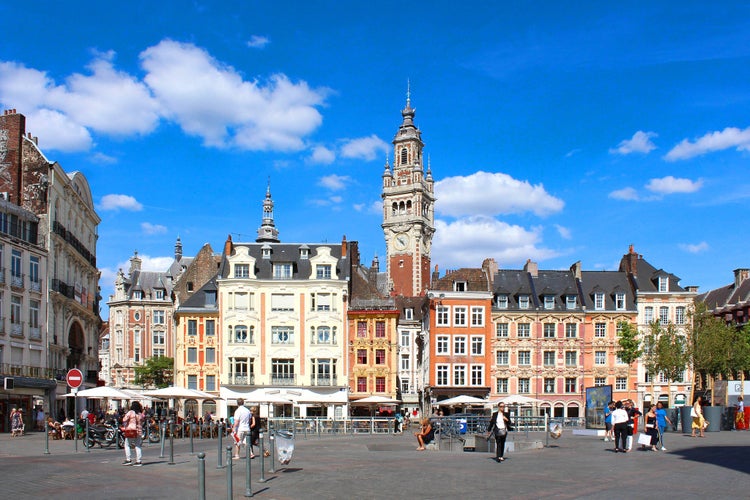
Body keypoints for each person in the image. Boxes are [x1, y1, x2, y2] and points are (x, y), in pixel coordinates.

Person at [122, 401, 144, 467]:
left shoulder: (130, 412)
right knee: (138, 446)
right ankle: (139, 461)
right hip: (139, 431)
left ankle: (128, 460)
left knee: (127, 445)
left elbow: (124, 419)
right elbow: (142, 420)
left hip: (131, 430)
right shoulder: (140, 414)